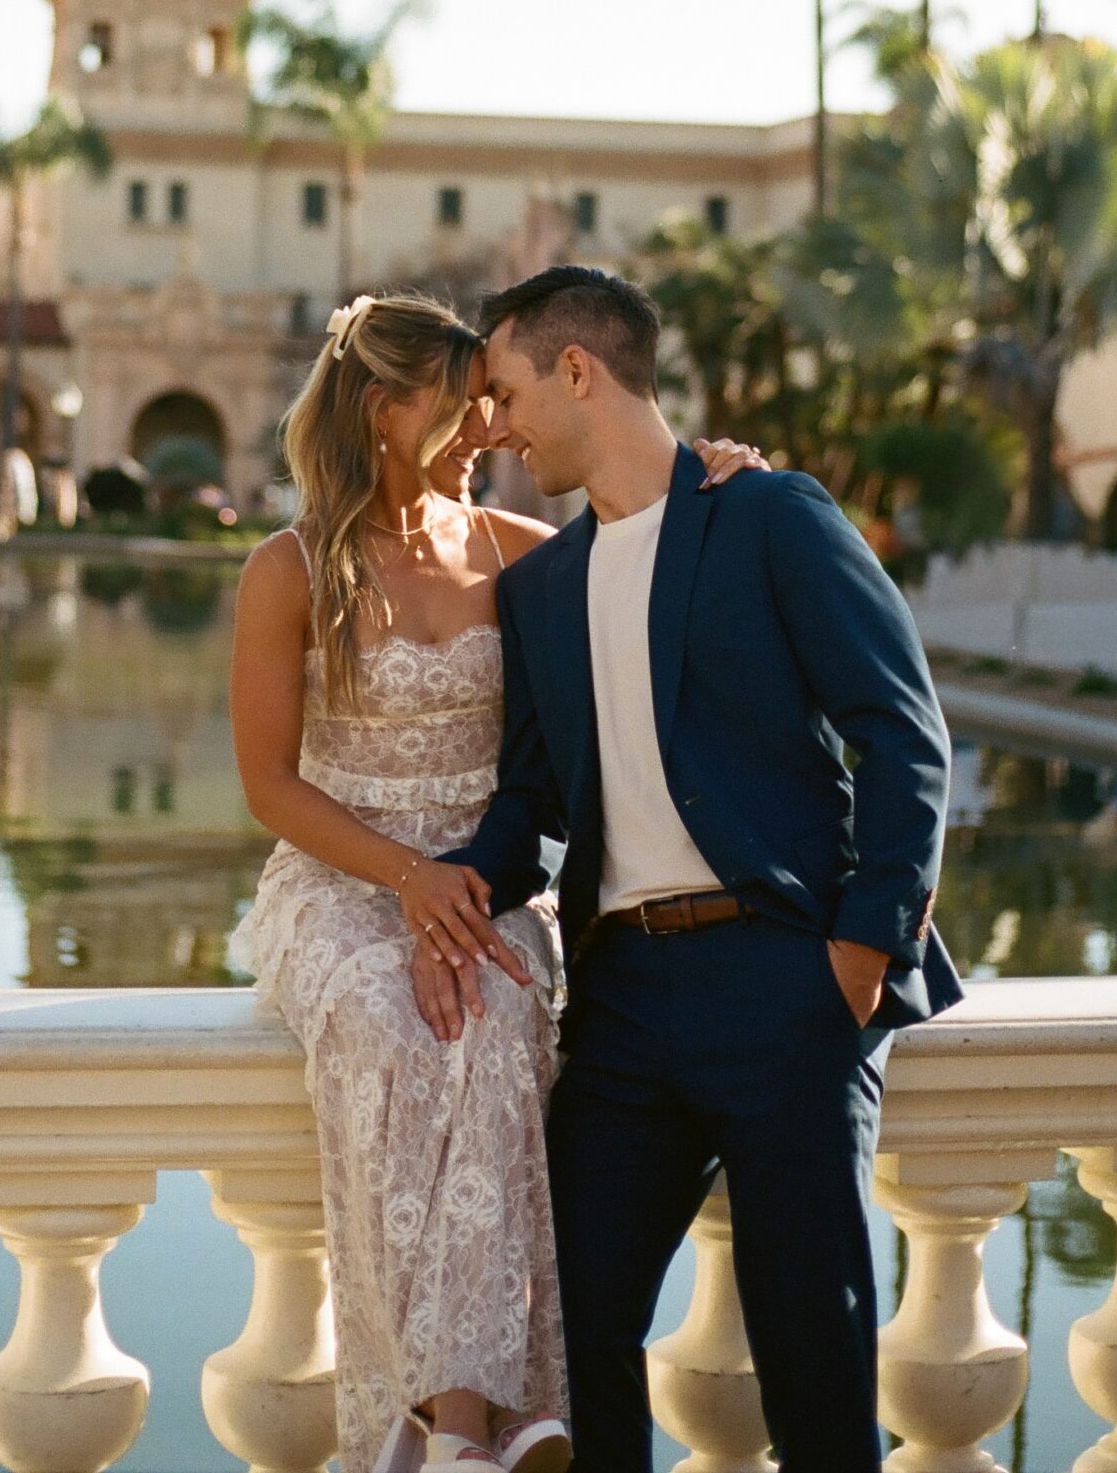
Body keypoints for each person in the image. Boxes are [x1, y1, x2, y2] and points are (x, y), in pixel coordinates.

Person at [431, 266, 960, 1473]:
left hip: (786, 981)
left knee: (813, 1358)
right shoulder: (539, 587)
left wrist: (860, 950)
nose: (494, 426)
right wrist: (437, 888)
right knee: (569, 1337)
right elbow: (529, 804)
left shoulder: (766, 512)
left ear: (578, 369)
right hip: (619, 1010)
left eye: (505, 392)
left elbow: (900, 727)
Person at [230, 292, 761, 1473]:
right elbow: (268, 784)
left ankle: (476, 1417)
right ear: (384, 408)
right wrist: (405, 882)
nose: (486, 422)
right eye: (462, 400)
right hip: (338, 876)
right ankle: (462, 1414)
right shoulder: (288, 569)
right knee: (384, 1023)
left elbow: (655, 532)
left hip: (481, 885)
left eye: (492, 397)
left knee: (503, 1016)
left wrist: (720, 469)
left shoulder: (518, 557)